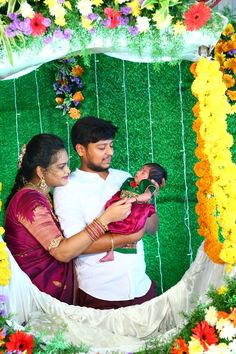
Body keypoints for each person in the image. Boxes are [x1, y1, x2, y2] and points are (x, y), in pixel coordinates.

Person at [4, 133, 144, 305]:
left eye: (67, 164)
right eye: (61, 166)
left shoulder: (43, 196)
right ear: (41, 171)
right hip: (37, 292)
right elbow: (63, 252)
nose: (68, 171)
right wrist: (105, 219)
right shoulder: (29, 201)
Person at [54, 116, 159, 309]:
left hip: (141, 286)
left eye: (111, 145)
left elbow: (153, 228)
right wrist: (130, 234)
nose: (110, 152)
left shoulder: (126, 178)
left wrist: (148, 203)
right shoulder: (67, 188)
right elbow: (76, 246)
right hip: (100, 294)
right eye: (102, 148)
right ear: (81, 150)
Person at [99, 162, 167, 262]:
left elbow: (147, 196)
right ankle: (110, 253)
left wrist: (134, 199)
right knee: (111, 229)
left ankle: (111, 251)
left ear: (151, 180)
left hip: (131, 213)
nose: (138, 172)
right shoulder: (130, 180)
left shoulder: (145, 184)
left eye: (143, 172)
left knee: (118, 229)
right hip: (120, 209)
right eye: (140, 169)